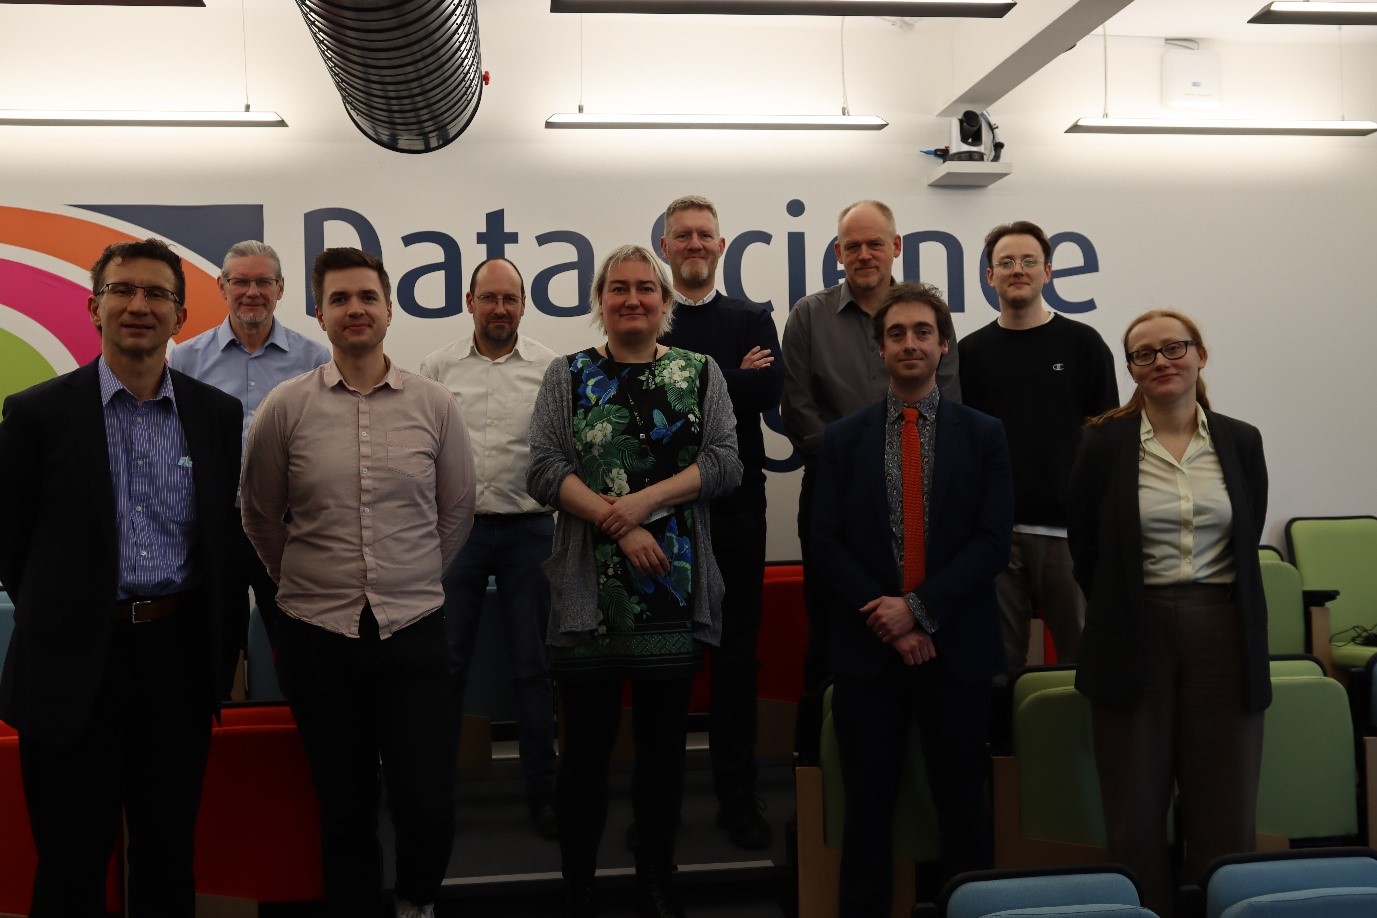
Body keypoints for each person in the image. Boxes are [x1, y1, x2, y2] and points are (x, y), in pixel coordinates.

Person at [0, 238, 243, 916]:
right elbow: (11, 545)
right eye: (123, 290)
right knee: (72, 861)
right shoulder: (37, 414)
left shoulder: (216, 417)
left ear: (180, 314)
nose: (139, 305)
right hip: (71, 666)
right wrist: (71, 611)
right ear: (93, 307)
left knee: (167, 858)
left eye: (156, 293)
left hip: (175, 664)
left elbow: (221, 543)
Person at [241, 247, 476, 918]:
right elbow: (259, 513)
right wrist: (304, 581)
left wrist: (414, 573)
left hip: (413, 632)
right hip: (318, 636)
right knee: (342, 806)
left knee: (425, 801)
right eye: (340, 299)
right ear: (318, 312)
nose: (354, 310)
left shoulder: (434, 405)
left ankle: (415, 902)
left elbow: (456, 509)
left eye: (367, 297)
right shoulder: (286, 409)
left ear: (388, 310)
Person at [526, 244, 741, 918]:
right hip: (587, 606)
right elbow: (541, 470)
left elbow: (725, 463)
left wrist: (644, 504)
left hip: (673, 601)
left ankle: (656, 882)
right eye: (617, 289)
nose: (632, 300)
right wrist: (620, 525)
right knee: (584, 759)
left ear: (664, 302)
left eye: (645, 289)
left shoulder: (699, 372)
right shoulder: (567, 375)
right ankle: (578, 888)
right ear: (599, 302)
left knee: (662, 760)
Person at [811, 282, 1011, 916]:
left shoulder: (985, 435)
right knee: (866, 815)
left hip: (956, 654)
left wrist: (918, 611)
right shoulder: (843, 439)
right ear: (879, 349)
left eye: (922, 332)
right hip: (869, 656)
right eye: (896, 334)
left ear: (943, 345)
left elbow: (991, 541)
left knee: (964, 814)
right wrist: (890, 617)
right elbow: (824, 540)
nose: (909, 344)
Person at [1069, 309, 1269, 918]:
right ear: (1130, 369)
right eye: (1144, 354)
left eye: (1173, 348)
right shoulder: (1103, 441)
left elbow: (1249, 527)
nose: (1161, 362)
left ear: (1200, 354)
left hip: (1223, 630)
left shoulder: (1240, 439)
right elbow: (1087, 547)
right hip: (1133, 631)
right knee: (1134, 808)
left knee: (1225, 808)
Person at [780, 199, 961, 697]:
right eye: (852, 245)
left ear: (895, 247)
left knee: (923, 617)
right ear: (838, 252)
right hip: (833, 496)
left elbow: (947, 404)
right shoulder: (809, 316)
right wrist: (858, 468)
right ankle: (817, 761)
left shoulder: (928, 318)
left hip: (921, 492)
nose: (864, 254)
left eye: (874, 243)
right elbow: (796, 407)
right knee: (831, 625)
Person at [418, 257, 560, 840]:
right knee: (445, 667)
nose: (499, 309)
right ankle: (433, 797)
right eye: (489, 298)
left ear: (523, 304)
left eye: (510, 299)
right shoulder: (438, 366)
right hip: (458, 533)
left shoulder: (552, 368)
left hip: (532, 533)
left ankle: (542, 793)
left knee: (534, 668)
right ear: (469, 301)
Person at [657, 194, 782, 849]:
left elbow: (769, 391)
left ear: (720, 246)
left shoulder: (750, 316)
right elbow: (650, 395)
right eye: (684, 235)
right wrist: (732, 375)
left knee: (737, 658)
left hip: (738, 509)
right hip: (667, 516)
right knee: (670, 661)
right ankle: (663, 807)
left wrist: (691, 380)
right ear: (667, 247)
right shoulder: (649, 316)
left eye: (705, 234)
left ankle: (737, 798)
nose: (696, 244)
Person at [958, 221, 1117, 671]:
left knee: (1080, 657)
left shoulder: (1084, 345)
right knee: (998, 662)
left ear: (1048, 272)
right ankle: (1006, 742)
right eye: (1006, 262)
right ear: (990, 277)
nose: (1017, 270)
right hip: (995, 535)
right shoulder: (970, 353)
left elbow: (1108, 441)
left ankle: (1075, 743)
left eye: (1029, 261)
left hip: (1068, 535)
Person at [170, 240, 330, 647]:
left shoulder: (314, 359)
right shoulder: (186, 359)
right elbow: (175, 443)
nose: (252, 292)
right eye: (241, 282)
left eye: (263, 281)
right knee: (214, 644)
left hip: (288, 525)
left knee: (297, 642)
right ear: (222, 287)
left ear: (281, 288)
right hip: (215, 525)